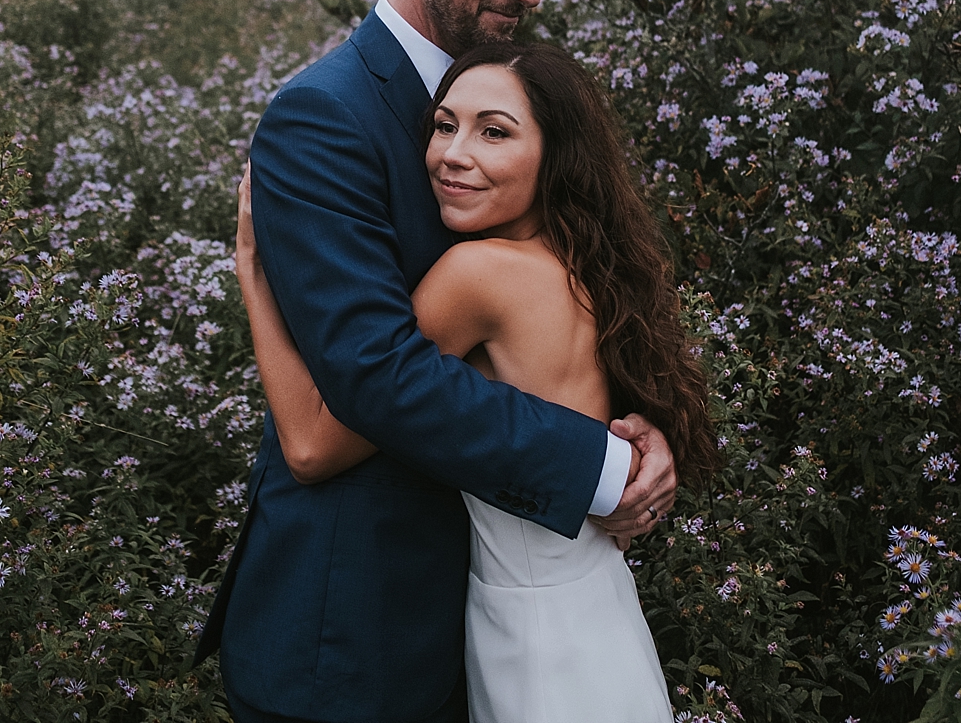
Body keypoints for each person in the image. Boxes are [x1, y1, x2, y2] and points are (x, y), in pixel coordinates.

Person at [194, 0, 679, 723]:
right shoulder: (324, 117)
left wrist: (642, 432)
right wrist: (599, 468)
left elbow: (574, 284)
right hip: (355, 635)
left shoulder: (506, 90)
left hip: (491, 620)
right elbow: (378, 376)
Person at [236, 43, 720, 722]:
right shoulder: (589, 266)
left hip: (534, 641)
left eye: (494, 131)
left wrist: (256, 276)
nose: (452, 154)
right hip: (595, 612)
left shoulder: (479, 275)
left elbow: (314, 442)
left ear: (556, 154)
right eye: (443, 124)